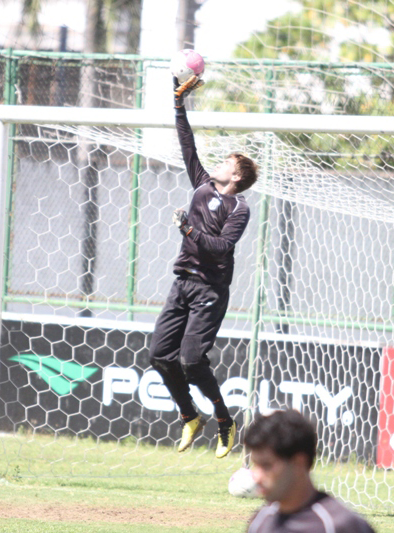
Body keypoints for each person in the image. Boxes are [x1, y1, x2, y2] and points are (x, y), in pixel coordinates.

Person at [148, 74, 259, 459]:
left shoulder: (239, 208)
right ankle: (190, 416)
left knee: (192, 361)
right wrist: (179, 105)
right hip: (182, 283)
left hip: (210, 290)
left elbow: (222, 247)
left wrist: (188, 229)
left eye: (227, 163)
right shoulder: (201, 184)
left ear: (237, 176)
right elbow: (187, 144)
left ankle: (224, 420)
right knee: (159, 355)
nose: (219, 164)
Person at [244, 410, 376, 533]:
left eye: (266, 466)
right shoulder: (260, 522)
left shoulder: (341, 526)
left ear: (299, 463)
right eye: (255, 465)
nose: (257, 477)